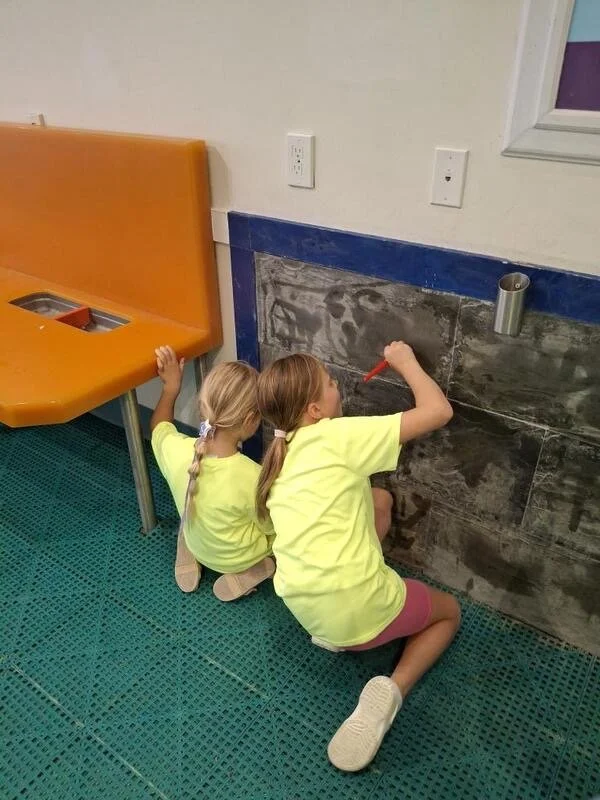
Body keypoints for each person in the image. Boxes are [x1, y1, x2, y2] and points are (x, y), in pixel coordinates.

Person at [256, 341, 460, 772]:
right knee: (448, 613)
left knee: (379, 499)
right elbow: (438, 411)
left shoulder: (279, 456)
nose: (338, 386)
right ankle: (393, 690)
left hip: (304, 609)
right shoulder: (339, 435)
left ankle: (339, 633)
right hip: (360, 607)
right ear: (314, 410)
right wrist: (405, 362)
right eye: (331, 383)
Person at [150, 345, 274, 600]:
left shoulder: (178, 452)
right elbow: (270, 525)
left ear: (202, 406)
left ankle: (191, 550)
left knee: (194, 522)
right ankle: (253, 569)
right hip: (239, 558)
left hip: (198, 542)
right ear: (251, 420)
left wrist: (171, 388)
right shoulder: (254, 476)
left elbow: (158, 428)